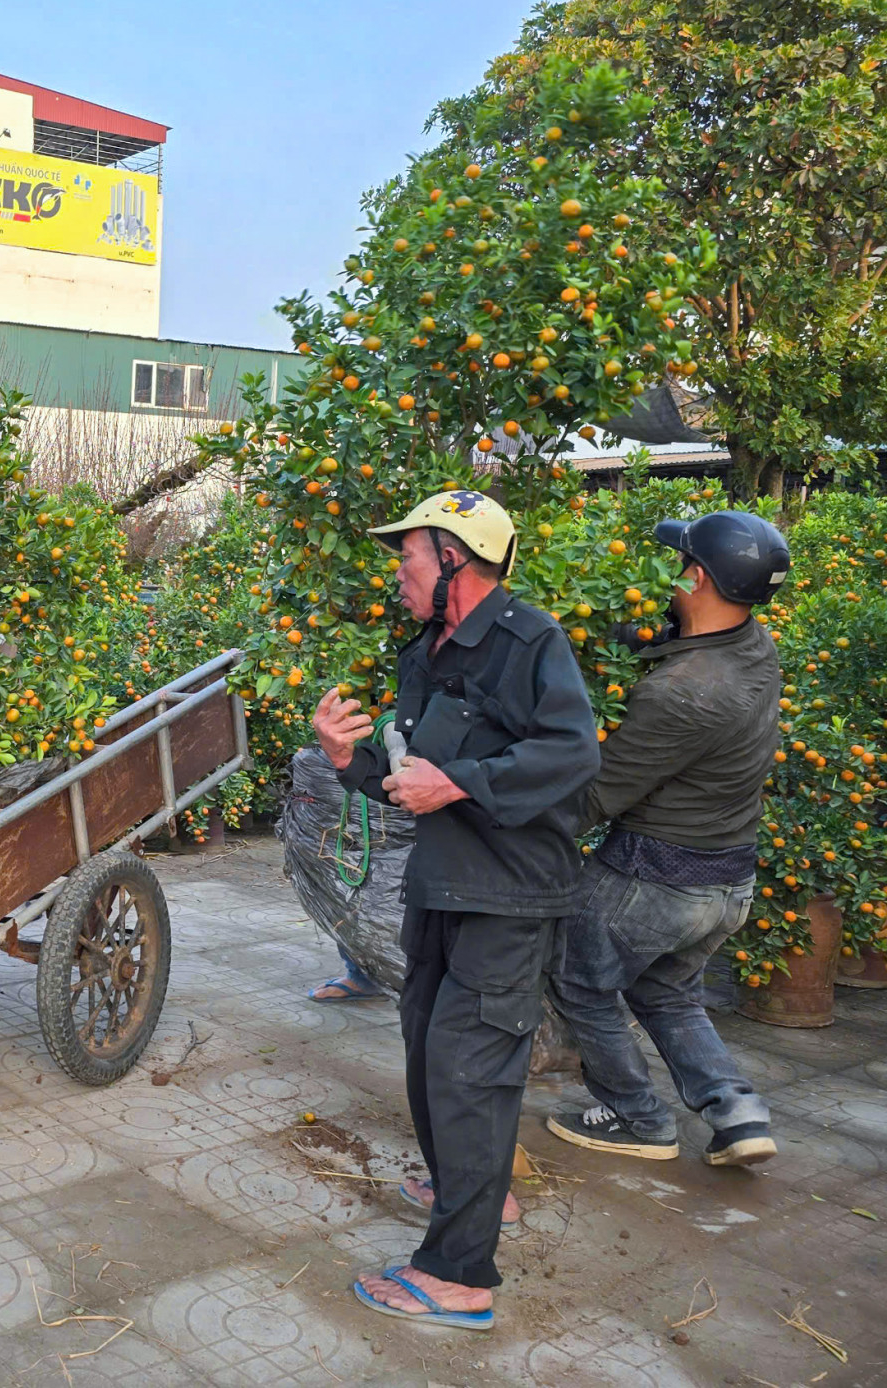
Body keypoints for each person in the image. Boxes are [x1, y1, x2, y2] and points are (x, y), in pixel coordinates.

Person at [315, 490, 600, 1331]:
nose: (396, 575)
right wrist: (348, 759)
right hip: (440, 886)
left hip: (508, 894)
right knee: (430, 1052)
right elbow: (411, 781)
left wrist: (463, 783)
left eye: (406, 559)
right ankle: (470, 1189)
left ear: (454, 561)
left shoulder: (530, 640)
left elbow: (571, 754)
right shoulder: (427, 652)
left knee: (471, 1068)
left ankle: (459, 1275)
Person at [545, 511, 787, 1167]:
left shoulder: (684, 694)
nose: (665, 571)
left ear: (698, 577)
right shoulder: (754, 648)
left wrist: (496, 822)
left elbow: (594, 798)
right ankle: (736, 1110)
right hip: (727, 880)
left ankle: (637, 1115)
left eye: (676, 562)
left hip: (656, 877)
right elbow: (683, 644)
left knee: (578, 980)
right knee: (666, 991)